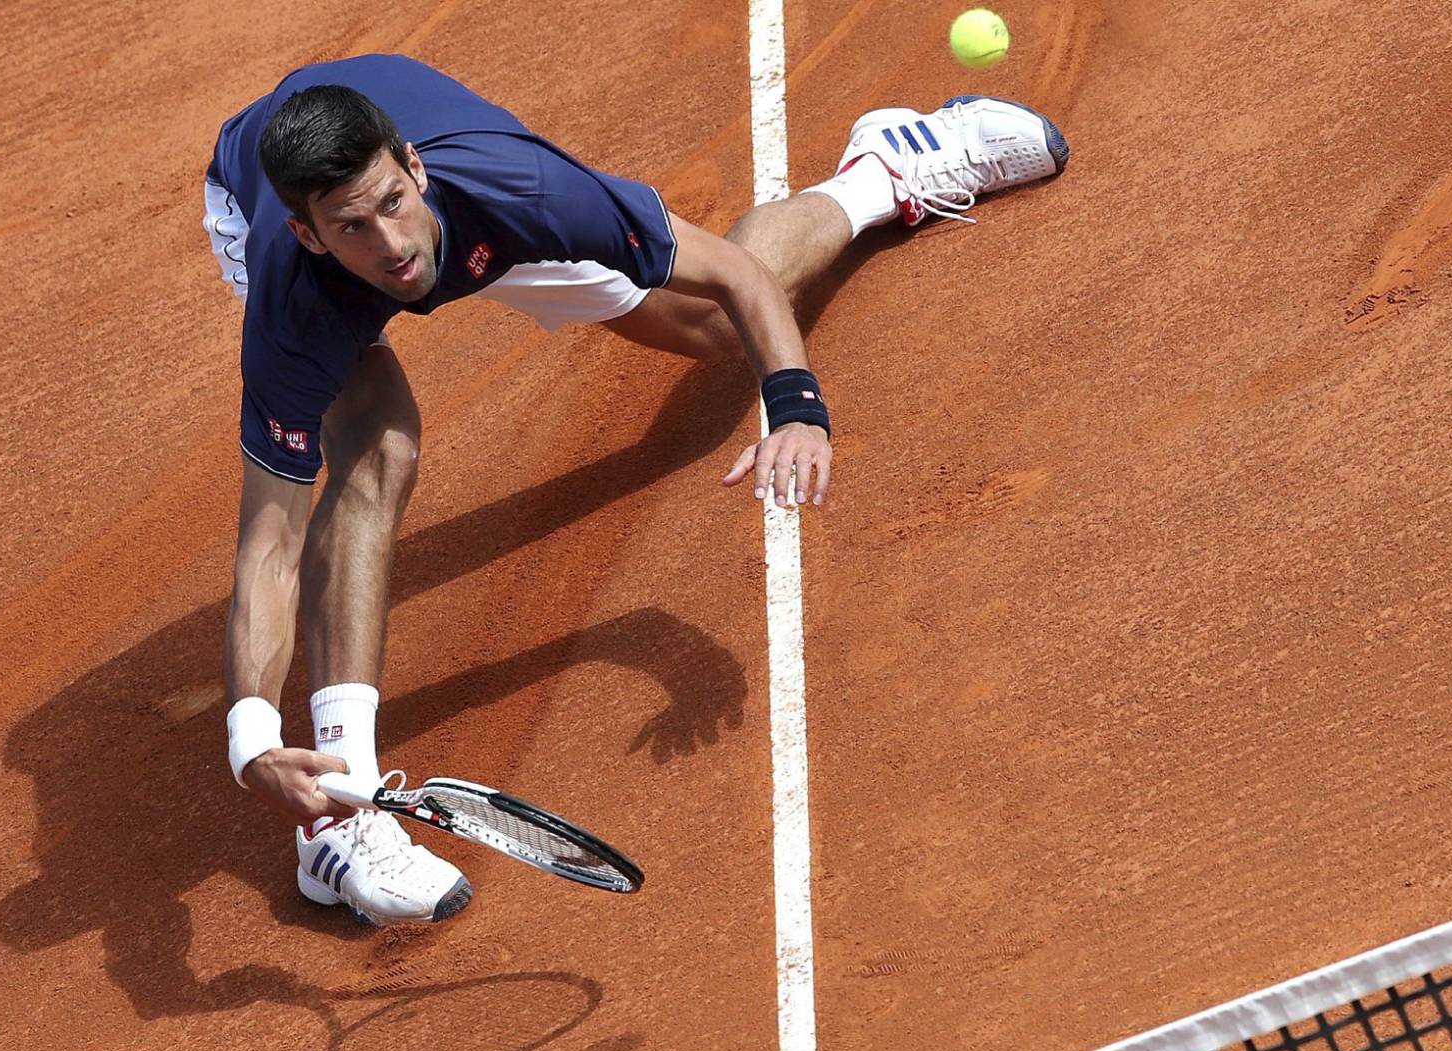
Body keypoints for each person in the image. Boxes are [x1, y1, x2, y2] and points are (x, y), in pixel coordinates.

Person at [203, 53, 1068, 925]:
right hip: (268, 204)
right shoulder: (292, 300)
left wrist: (796, 405)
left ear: (416, 170)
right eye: (354, 226)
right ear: (310, 234)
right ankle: (342, 812)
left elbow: (734, 274)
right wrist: (253, 741)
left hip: (475, 218)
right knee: (376, 444)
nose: (389, 245)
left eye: (393, 203)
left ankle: (883, 169)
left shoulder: (525, 191)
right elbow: (270, 547)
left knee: (709, 325)